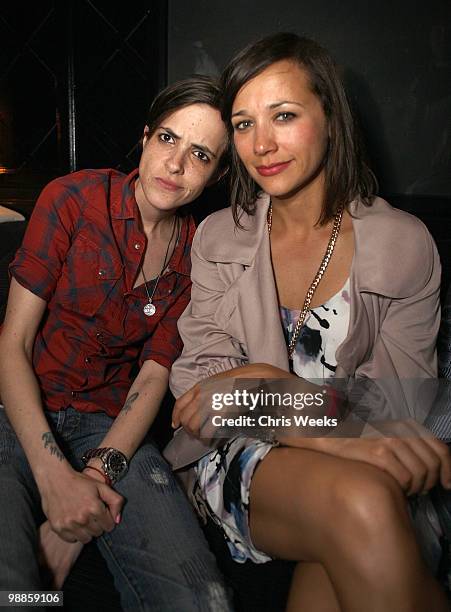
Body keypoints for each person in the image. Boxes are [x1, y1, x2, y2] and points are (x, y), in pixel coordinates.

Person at [165, 34, 451, 611]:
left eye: (285, 116)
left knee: (351, 532)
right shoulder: (220, 236)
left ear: (331, 118)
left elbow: (400, 410)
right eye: (243, 125)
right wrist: (310, 411)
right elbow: (200, 402)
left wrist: (264, 380)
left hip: (363, 453)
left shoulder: (404, 245)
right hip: (238, 457)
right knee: (366, 497)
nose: (261, 144)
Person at [0, 76, 234, 611]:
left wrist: (89, 486)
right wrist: (53, 477)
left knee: (205, 601)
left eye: (199, 154)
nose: (175, 165)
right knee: (17, 593)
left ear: (218, 172)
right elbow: (13, 342)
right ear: (146, 137)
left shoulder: (200, 253)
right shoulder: (74, 198)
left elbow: (154, 376)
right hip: (14, 406)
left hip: (108, 426)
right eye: (169, 140)